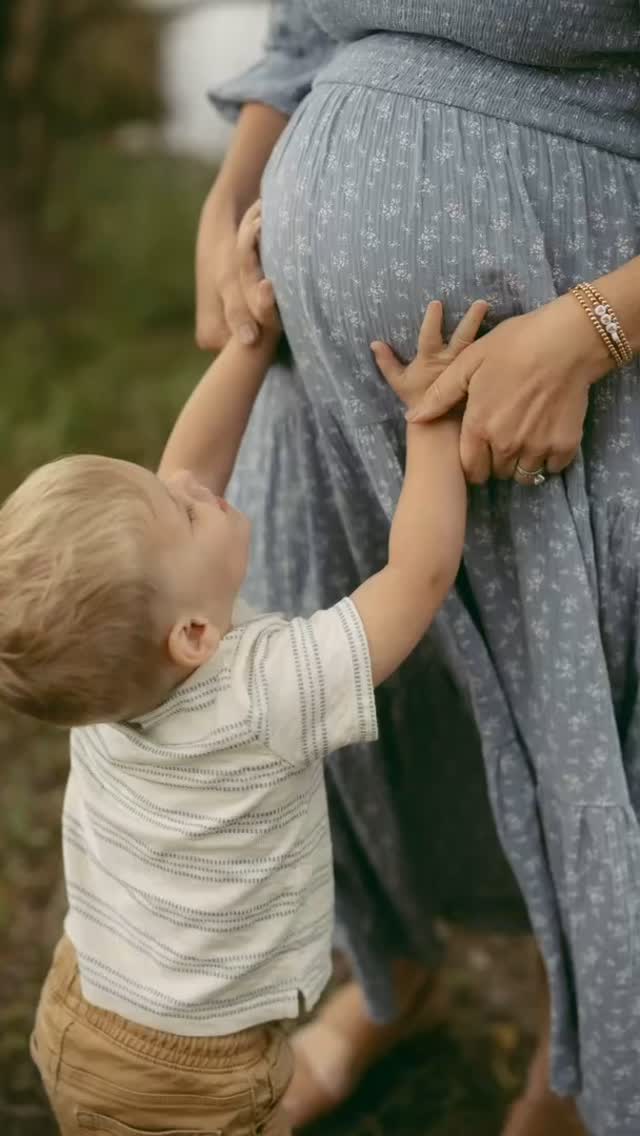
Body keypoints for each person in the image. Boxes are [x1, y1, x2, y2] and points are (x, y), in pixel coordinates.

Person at [196, 3, 640, 1134]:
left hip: (566, 365)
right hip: (307, 374)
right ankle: (393, 972)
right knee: (331, 709)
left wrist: (595, 327)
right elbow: (303, 36)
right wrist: (230, 198)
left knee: (574, 724)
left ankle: (580, 1056)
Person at [9, 204, 486, 1135]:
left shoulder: (104, 689)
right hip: (197, 1070)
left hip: (85, 1004)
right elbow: (417, 578)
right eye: (185, 513)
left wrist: (247, 347)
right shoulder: (265, 693)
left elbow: (187, 469)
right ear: (192, 633)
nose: (190, 486)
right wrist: (431, 419)